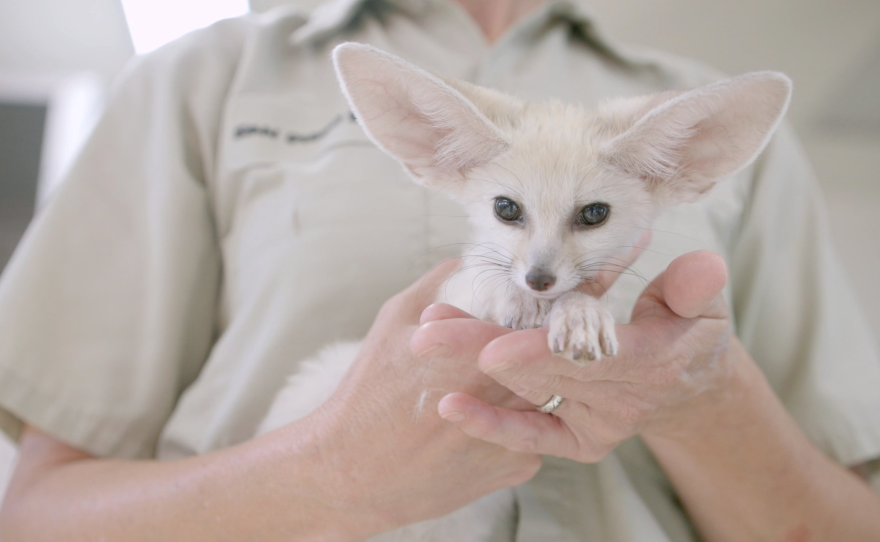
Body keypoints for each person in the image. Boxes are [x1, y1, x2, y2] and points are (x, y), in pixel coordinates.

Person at [0, 0, 879, 539]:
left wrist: (703, 397)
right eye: (509, 215)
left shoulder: (691, 109)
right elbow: (36, 523)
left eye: (589, 218)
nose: (542, 269)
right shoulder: (209, 75)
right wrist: (327, 471)